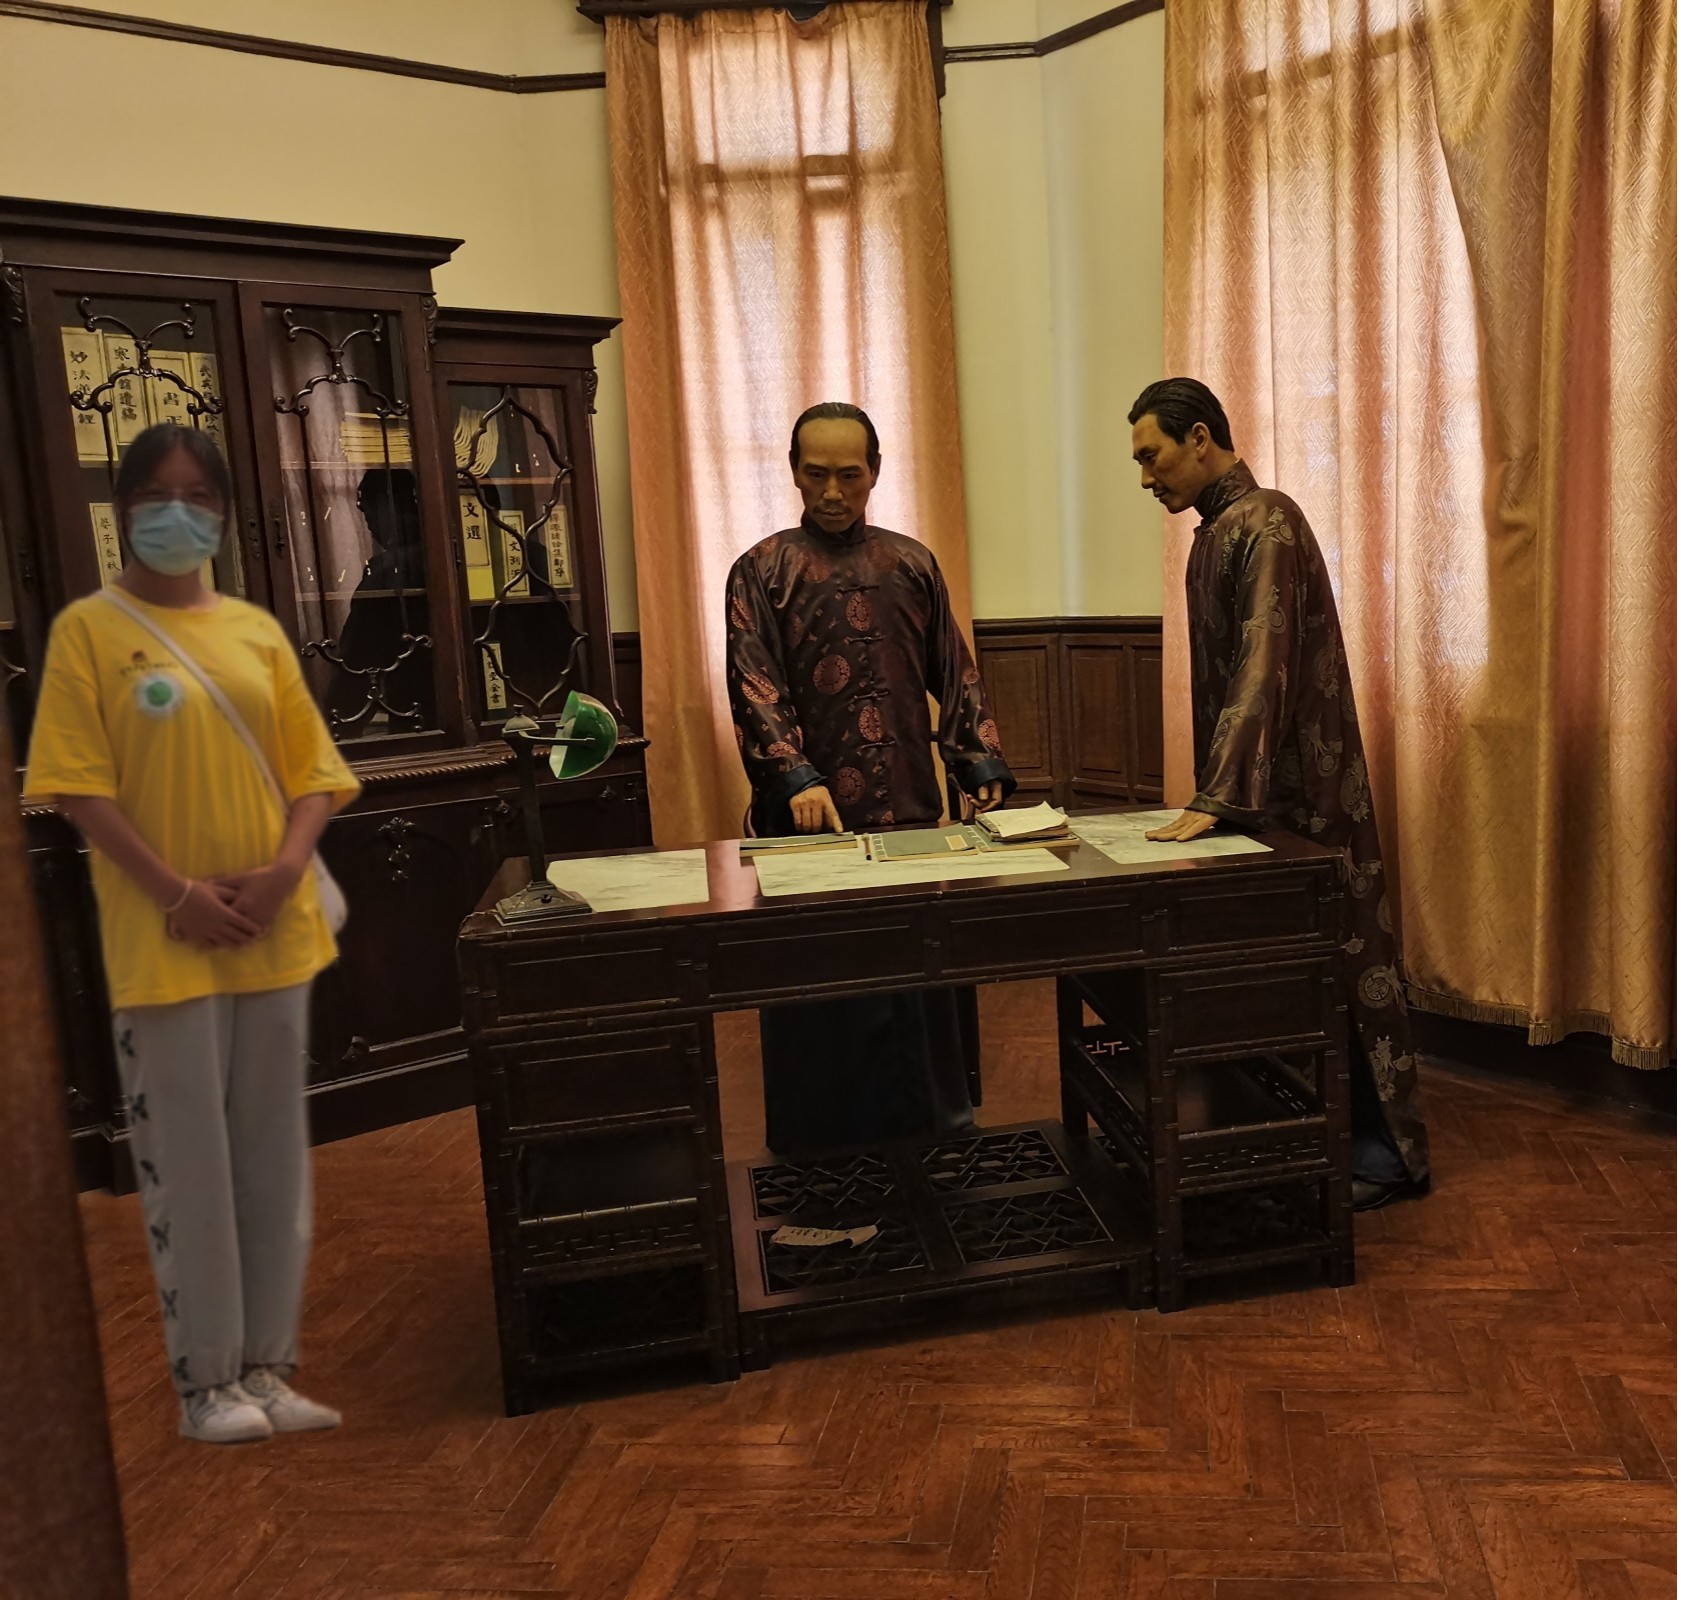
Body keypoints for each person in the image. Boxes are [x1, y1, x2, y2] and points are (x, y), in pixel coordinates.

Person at [23, 422, 361, 1443]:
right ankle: (207, 1382)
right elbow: (78, 789)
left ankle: (268, 1366)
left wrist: (282, 871)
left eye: (199, 495)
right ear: (124, 509)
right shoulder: (89, 631)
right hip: (163, 940)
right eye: (158, 495)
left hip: (273, 930)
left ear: (223, 510)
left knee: (272, 1159)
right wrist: (177, 894)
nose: (180, 513)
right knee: (189, 1165)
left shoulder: (255, 631)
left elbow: (315, 774)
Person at [1128, 377, 1430, 1210]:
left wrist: (1218, 796)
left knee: (1339, 964)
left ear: (1198, 438)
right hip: (1262, 798)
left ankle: (1384, 1156)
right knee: (1285, 976)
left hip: (1306, 796)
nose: (1145, 476)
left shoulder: (1267, 520)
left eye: (1152, 455)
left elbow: (1263, 664)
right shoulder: (1214, 533)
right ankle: (1299, 1139)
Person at [726, 402, 1015, 1154]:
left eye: (848, 475)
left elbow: (953, 668)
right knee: (823, 977)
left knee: (920, 967)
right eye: (816, 474)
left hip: (908, 802)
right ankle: (822, 1139)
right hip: (810, 819)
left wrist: (975, 757)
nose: (832, 492)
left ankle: (937, 1127)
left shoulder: (910, 563)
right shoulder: (760, 570)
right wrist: (795, 776)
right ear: (794, 472)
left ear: (876, 472)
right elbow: (754, 684)